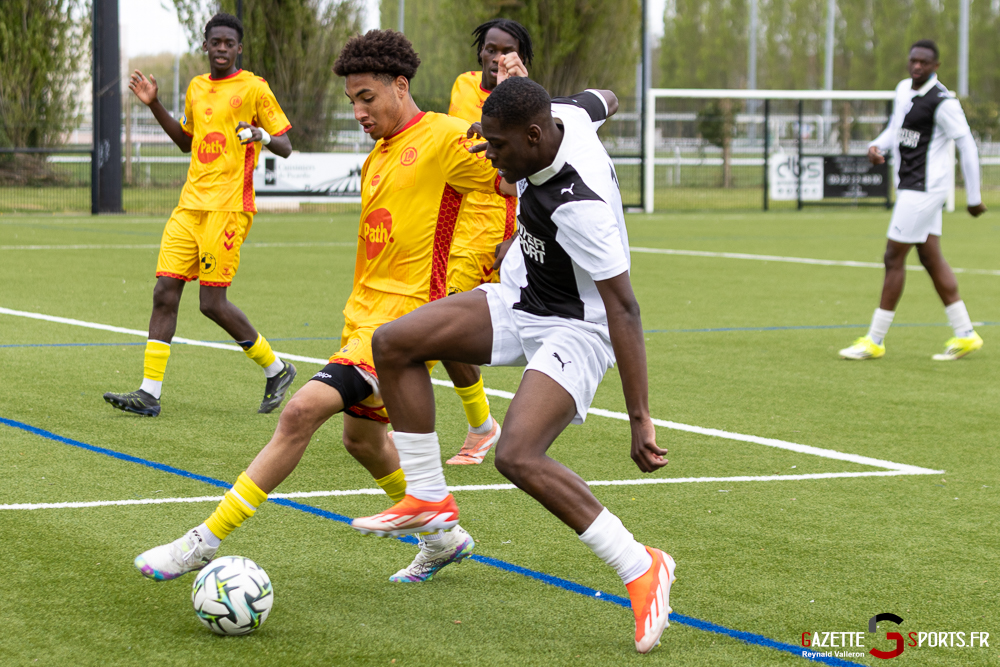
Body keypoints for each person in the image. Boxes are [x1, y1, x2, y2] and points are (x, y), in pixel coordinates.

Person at [133, 29, 515, 584]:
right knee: (361, 440)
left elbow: (519, 176)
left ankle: (201, 542)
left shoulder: (448, 138)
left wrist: (519, 126)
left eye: (367, 98)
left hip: (404, 326)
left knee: (300, 411)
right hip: (361, 320)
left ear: (400, 85)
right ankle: (444, 538)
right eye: (351, 101)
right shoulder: (378, 155)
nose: (359, 111)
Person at [354, 78, 676, 654]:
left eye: (498, 144)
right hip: (519, 299)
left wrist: (640, 419)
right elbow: (604, 97)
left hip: (578, 328)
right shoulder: (564, 117)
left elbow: (624, 310)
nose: (490, 156)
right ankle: (429, 496)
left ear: (533, 136)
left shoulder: (581, 208)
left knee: (518, 454)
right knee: (394, 343)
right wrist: (504, 128)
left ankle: (642, 565)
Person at [104, 13, 297, 417]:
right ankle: (149, 394)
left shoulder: (255, 88)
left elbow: (286, 146)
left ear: (238, 48)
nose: (222, 48)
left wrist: (261, 134)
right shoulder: (196, 87)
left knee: (211, 303)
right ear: (205, 46)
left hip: (228, 208)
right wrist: (154, 103)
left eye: (230, 42)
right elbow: (184, 142)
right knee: (164, 292)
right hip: (189, 206)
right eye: (216, 42)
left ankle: (276, 369)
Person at [839, 39, 987, 361]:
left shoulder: (943, 102)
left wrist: (973, 198)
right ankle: (965, 333)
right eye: (913, 60)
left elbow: (968, 146)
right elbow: (896, 130)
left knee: (893, 257)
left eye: (924, 62)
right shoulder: (904, 89)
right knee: (930, 258)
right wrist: (878, 147)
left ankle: (875, 340)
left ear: (935, 67)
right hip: (911, 186)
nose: (917, 66)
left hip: (925, 190)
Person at [440, 19, 533, 465]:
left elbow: (531, 165)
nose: (497, 57)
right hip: (459, 216)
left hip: (500, 218)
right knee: (441, 322)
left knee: (446, 323)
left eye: (507, 50)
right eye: (490, 49)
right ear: (480, 52)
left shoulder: (526, 96)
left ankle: (486, 427)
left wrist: (516, 233)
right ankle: (484, 425)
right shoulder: (462, 86)